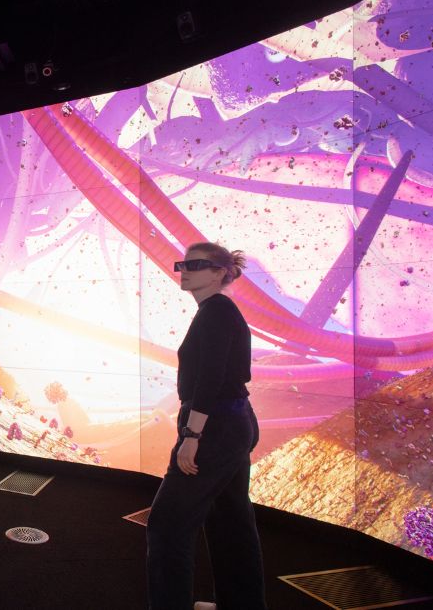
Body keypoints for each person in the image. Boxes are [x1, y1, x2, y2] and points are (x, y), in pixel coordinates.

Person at [146, 242, 266, 610]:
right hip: (232, 423)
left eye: (196, 265)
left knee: (167, 526)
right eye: (183, 264)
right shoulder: (218, 311)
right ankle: (241, 604)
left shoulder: (215, 312)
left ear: (219, 272)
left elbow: (211, 380)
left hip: (214, 428)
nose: (185, 270)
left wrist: (192, 436)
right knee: (231, 520)